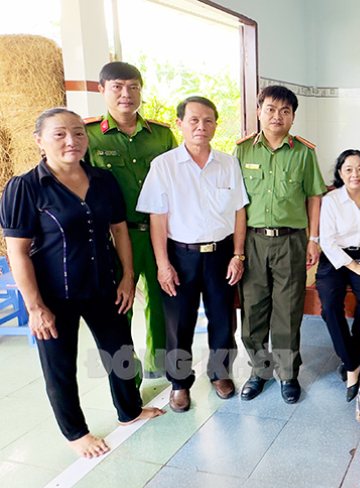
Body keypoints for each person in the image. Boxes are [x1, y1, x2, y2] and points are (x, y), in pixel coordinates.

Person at [0, 108, 164, 458]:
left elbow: (119, 230)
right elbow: (18, 252)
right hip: (54, 295)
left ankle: (129, 411)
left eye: (77, 132)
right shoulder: (25, 188)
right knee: (60, 367)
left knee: (120, 352)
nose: (71, 141)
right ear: (40, 141)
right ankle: (76, 433)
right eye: (59, 134)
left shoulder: (103, 181)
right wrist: (35, 307)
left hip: (104, 285)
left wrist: (127, 278)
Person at [136, 97, 248, 412]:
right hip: (179, 255)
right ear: (180, 124)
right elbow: (157, 217)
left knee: (223, 318)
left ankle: (220, 373)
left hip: (221, 253)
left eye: (208, 120)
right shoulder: (164, 166)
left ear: (215, 124)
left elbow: (240, 211)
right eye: (194, 120)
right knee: (178, 323)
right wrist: (163, 265)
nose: (201, 127)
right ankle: (179, 383)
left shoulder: (229, 163)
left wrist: (238, 254)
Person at [84, 61, 178, 378]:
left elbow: (177, 183)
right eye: (117, 87)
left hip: (158, 234)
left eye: (133, 87)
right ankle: (128, 378)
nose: (127, 94)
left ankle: (160, 367)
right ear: (102, 90)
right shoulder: (89, 136)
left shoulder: (161, 136)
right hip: (113, 239)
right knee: (118, 308)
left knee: (163, 302)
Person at [235, 85, 327, 404]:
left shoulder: (304, 152)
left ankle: (287, 374)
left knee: (287, 311)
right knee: (253, 309)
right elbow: (235, 203)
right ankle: (259, 371)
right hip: (253, 241)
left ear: (292, 118)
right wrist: (236, 249)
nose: (277, 116)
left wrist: (313, 239)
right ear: (259, 111)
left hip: (292, 240)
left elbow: (315, 196)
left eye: (285, 111)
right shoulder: (242, 151)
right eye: (271, 109)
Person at [318, 149, 360, 401]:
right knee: (330, 306)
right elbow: (328, 241)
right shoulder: (331, 200)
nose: (355, 174)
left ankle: (349, 359)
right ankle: (353, 366)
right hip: (334, 258)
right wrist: (355, 267)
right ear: (340, 173)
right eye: (348, 169)